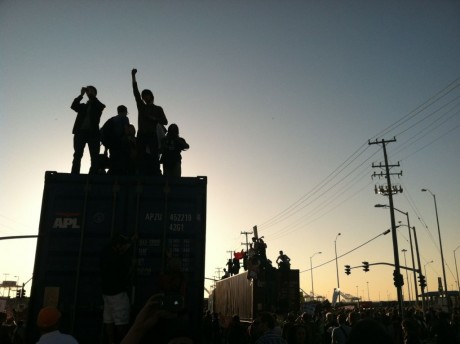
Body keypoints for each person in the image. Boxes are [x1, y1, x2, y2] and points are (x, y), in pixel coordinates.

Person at [131, 68, 168, 176]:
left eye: (146, 95)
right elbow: (135, 92)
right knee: (140, 155)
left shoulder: (158, 109)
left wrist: (154, 119)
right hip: (141, 133)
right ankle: (139, 173)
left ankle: (156, 173)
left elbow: (165, 121)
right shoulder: (141, 106)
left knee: (154, 155)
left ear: (151, 96)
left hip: (152, 134)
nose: (144, 97)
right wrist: (133, 76)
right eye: (143, 96)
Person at [101, 235, 133, 344]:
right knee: (122, 324)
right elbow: (125, 274)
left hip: (106, 293)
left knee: (108, 321)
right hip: (118, 294)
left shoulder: (105, 253)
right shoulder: (119, 260)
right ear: (118, 245)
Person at [70, 85, 106, 174]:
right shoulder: (83, 107)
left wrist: (90, 94)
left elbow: (97, 104)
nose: (88, 92)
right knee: (77, 154)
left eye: (90, 91)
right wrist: (81, 95)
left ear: (94, 94)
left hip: (93, 133)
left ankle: (93, 174)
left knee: (94, 156)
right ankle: (74, 174)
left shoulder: (99, 105)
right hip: (80, 132)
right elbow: (74, 106)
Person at [100, 105, 132, 175]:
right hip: (120, 142)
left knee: (113, 161)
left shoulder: (112, 119)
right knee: (122, 161)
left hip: (112, 143)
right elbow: (126, 130)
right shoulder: (125, 118)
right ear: (125, 111)